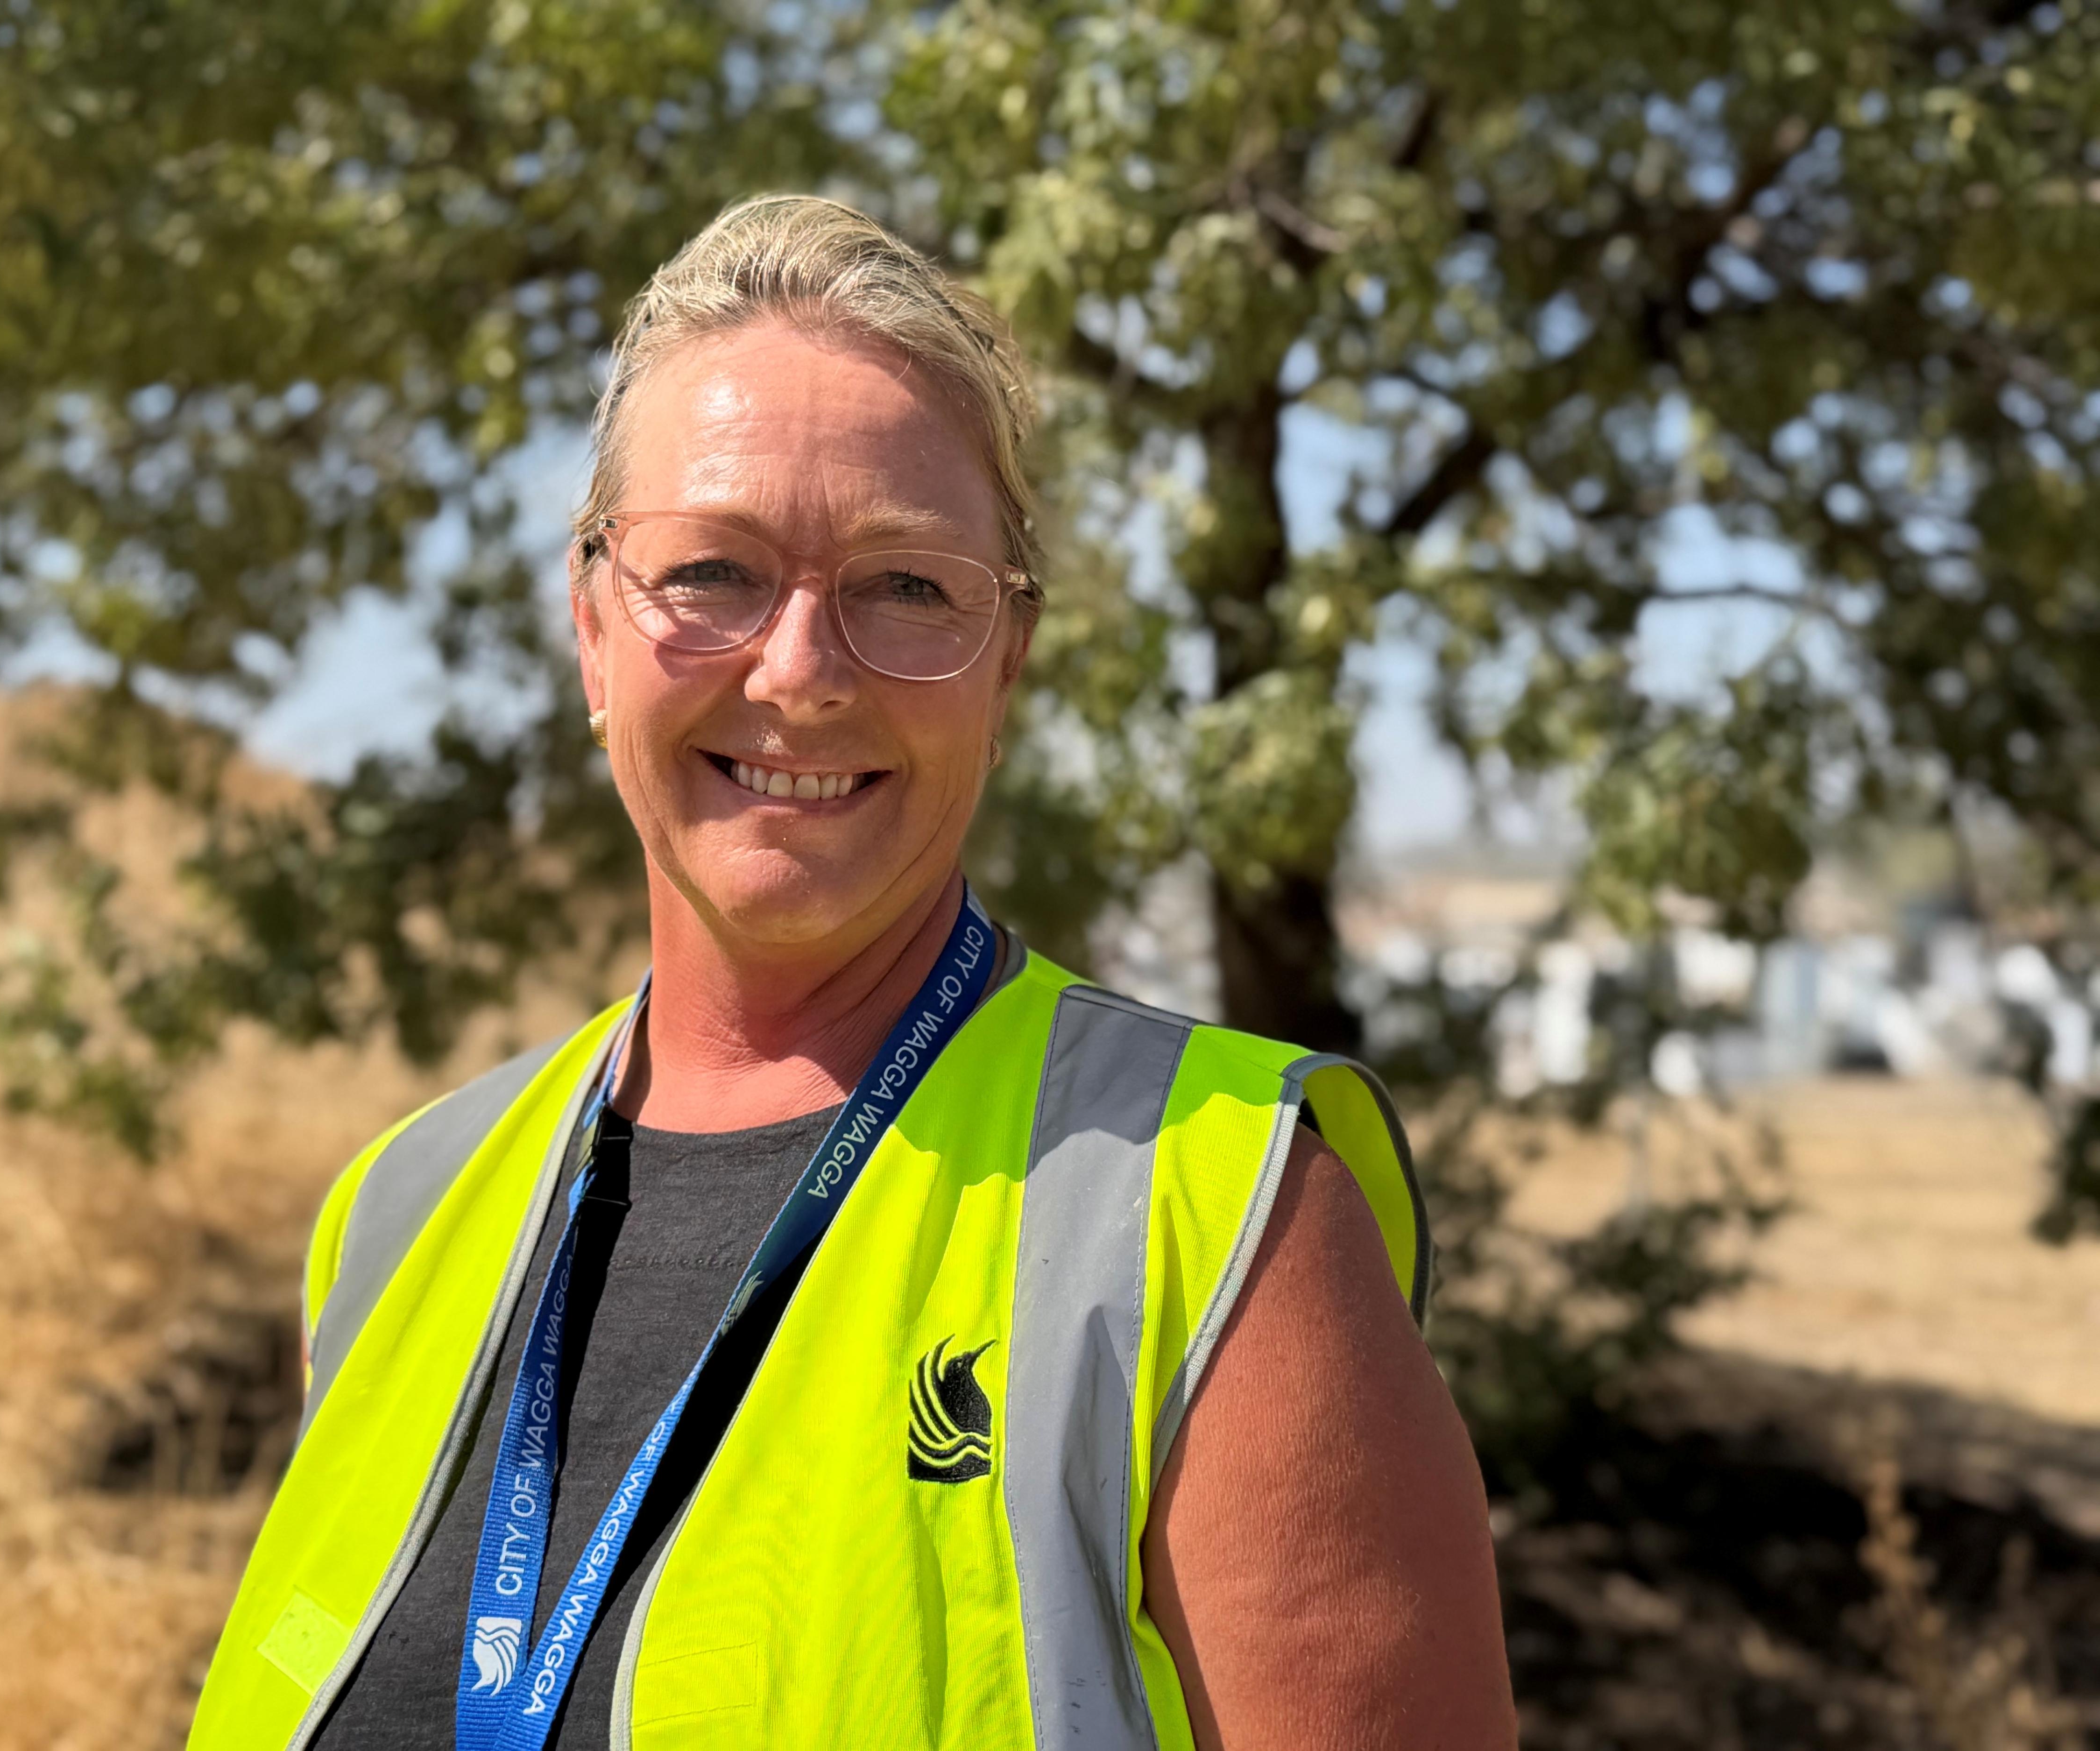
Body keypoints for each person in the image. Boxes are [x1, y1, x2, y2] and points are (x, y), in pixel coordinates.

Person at [188, 194, 1515, 1751]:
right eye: (713, 573)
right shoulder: (400, 1215)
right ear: (592, 625)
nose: (802, 671)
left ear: (1006, 663)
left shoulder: (1218, 1215)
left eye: (907, 586)